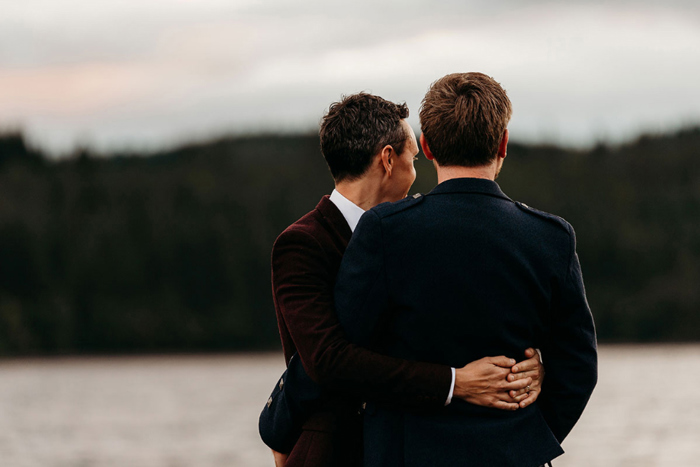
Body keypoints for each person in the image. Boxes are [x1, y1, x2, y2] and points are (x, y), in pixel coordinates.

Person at [259, 93, 546, 467]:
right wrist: (455, 382)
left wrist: (530, 366)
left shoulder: (417, 234)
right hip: (338, 451)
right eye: (412, 158)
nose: (417, 173)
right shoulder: (303, 243)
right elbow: (326, 359)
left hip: (414, 446)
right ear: (389, 159)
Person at [334, 73, 598, 466]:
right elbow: (577, 368)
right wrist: (526, 440)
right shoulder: (550, 238)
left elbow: (346, 355)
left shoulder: (386, 230)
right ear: (503, 143)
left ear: (427, 145)